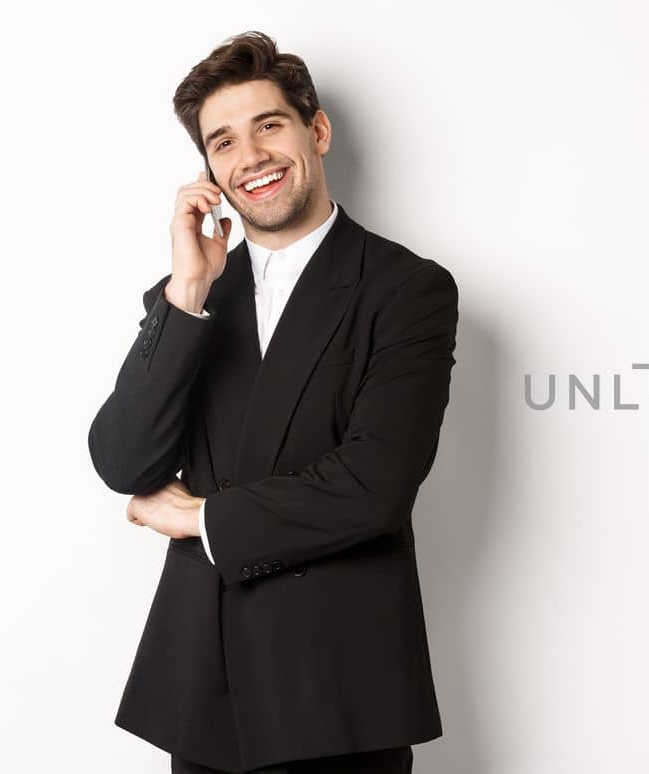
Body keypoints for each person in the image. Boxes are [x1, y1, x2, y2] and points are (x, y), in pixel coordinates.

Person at [87, 30, 456, 773]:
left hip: (339, 692)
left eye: (269, 124)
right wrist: (185, 293)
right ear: (211, 174)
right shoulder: (191, 299)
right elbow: (125, 460)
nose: (249, 155)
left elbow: (373, 488)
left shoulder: (407, 289)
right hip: (205, 693)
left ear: (316, 131)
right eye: (222, 142)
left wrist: (199, 516)